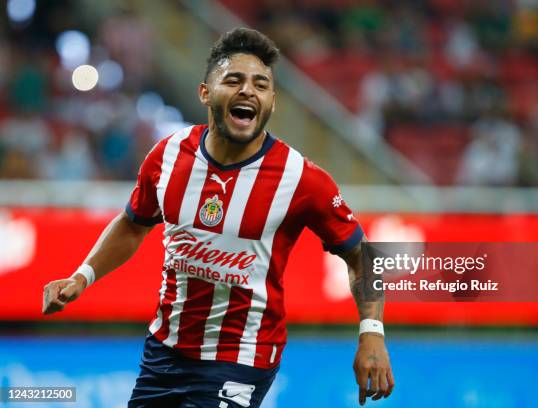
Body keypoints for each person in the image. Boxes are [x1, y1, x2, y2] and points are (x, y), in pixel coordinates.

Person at [42, 27, 394, 407]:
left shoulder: (301, 179)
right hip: (164, 350)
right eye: (234, 80)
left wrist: (371, 333)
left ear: (272, 102)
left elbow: (364, 255)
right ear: (205, 93)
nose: (248, 91)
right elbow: (132, 224)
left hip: (242, 358)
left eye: (261, 85)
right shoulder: (168, 155)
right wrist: (82, 276)